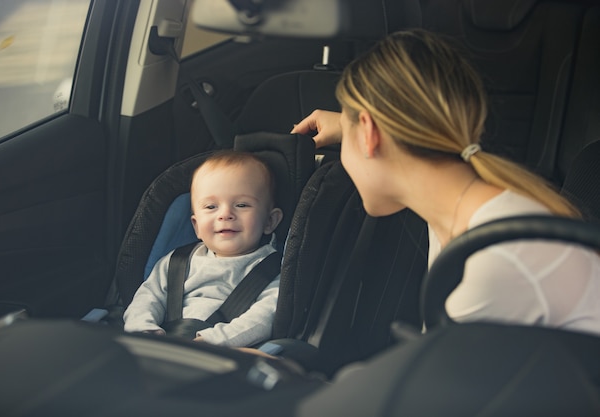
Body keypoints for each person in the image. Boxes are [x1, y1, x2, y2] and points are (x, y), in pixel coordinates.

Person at [291, 29, 600, 335]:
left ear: (370, 133)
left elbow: (447, 382)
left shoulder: (493, 257)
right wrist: (349, 127)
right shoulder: (466, 206)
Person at [123, 151, 284, 347]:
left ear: (270, 221)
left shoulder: (274, 271)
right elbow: (147, 298)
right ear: (196, 226)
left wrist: (210, 342)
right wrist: (143, 329)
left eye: (241, 204)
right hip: (162, 344)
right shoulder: (176, 261)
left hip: (226, 352)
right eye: (210, 207)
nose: (225, 214)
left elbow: (264, 317)